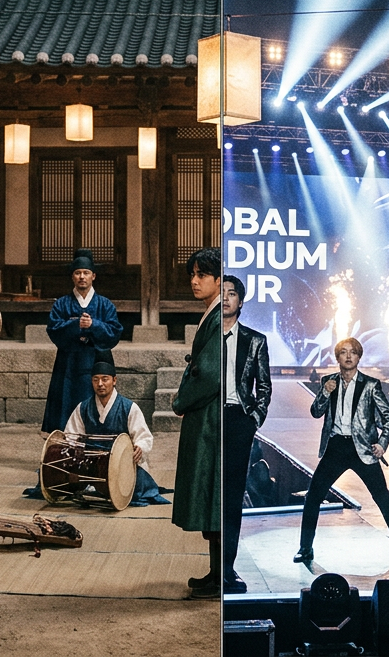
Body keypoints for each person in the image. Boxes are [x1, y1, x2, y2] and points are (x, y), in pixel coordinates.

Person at [296, 337, 389, 567]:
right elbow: (315, 412)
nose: (348, 356)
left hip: (364, 449)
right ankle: (305, 548)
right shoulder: (328, 381)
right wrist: (324, 393)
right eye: (343, 352)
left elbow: (388, 417)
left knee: (383, 498)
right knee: (313, 497)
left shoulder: (371, 385)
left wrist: (382, 443)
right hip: (336, 447)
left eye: (353, 352)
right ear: (337, 357)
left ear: (359, 357)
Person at [173, 247, 223, 599]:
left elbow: (208, 374)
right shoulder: (214, 313)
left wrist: (180, 400)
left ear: (219, 280)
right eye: (192, 274)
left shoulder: (220, 317)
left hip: (211, 417)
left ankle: (220, 576)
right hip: (206, 414)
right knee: (208, 495)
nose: (194, 281)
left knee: (211, 492)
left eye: (202, 275)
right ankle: (215, 572)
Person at [218, 275, 272, 595]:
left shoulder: (255, 340)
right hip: (211, 420)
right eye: (222, 293)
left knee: (232, 497)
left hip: (239, 420)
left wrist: (254, 419)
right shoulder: (207, 336)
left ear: (241, 301)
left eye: (232, 293)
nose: (225, 298)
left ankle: (227, 568)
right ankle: (211, 567)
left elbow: (264, 387)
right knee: (210, 496)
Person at [64, 350, 169, 506]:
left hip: (121, 464)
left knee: (134, 488)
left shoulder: (129, 407)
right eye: (95, 380)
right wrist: (75, 452)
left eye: (105, 379)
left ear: (114, 380)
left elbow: (144, 436)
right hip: (92, 463)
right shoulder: (83, 408)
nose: (100, 384)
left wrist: (139, 446)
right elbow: (71, 436)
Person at [43, 249, 124, 435]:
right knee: (67, 400)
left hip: (97, 360)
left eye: (86, 273)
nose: (82, 277)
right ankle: (66, 446)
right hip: (69, 362)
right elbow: (53, 330)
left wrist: (94, 325)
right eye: (77, 273)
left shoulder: (105, 304)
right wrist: (75, 325)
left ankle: (97, 444)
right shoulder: (61, 304)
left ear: (93, 276)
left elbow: (115, 331)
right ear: (72, 277)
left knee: (97, 398)